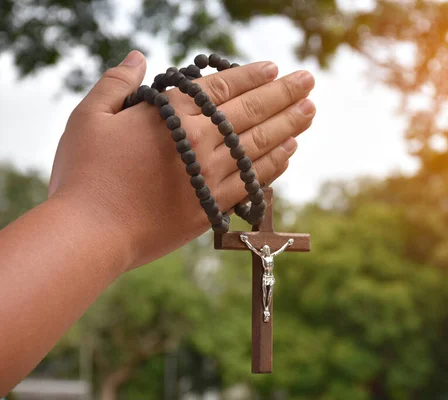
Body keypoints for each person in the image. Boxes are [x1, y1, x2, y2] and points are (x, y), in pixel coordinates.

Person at [0, 50, 316, 395]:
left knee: (267, 304)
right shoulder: (264, 246)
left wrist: (93, 211)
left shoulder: (274, 245)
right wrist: (96, 212)